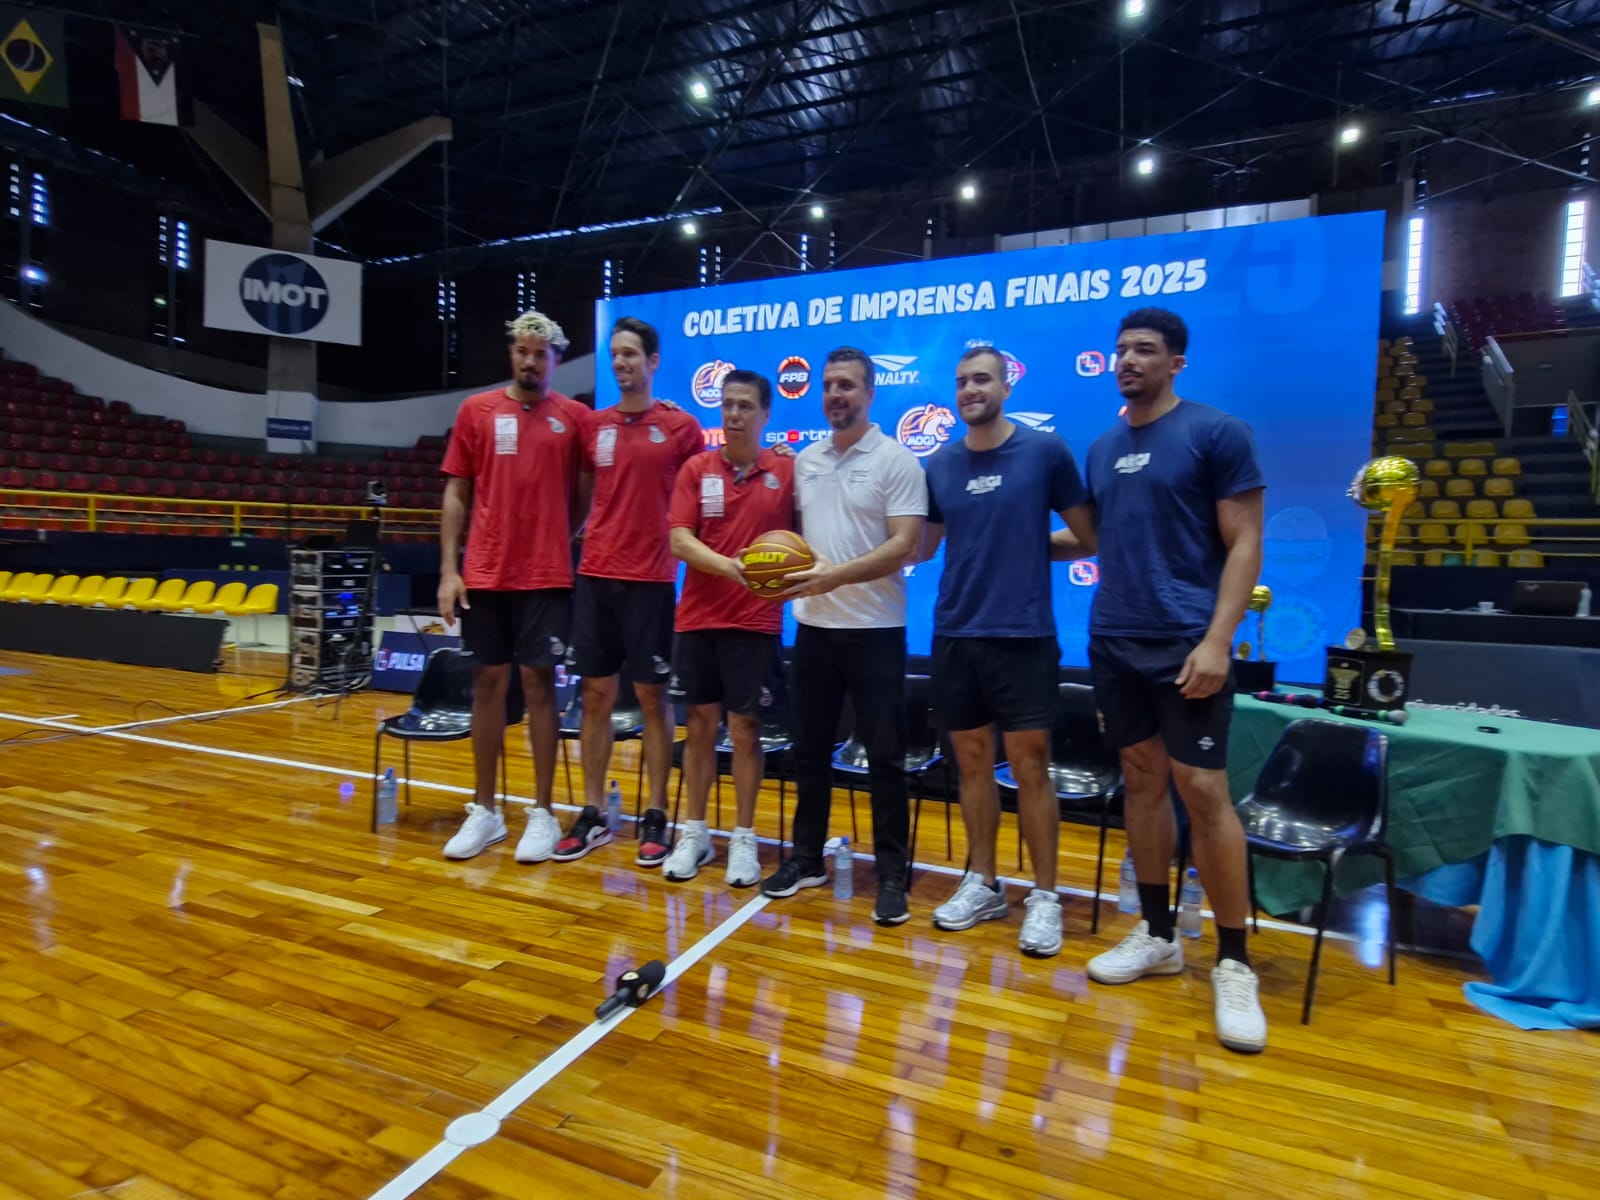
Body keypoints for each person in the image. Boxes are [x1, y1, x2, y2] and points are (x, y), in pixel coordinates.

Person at [1082, 307, 1268, 1054]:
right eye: (1121, 350)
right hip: (1113, 639)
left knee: (1204, 791)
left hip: (1188, 643)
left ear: (1176, 362)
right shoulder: (1101, 447)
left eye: (1145, 350)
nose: (1128, 360)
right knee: (1140, 779)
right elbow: (1098, 539)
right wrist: (1001, 528)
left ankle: (1233, 960)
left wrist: (1219, 639)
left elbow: (1245, 539)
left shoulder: (1218, 433)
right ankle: (1158, 935)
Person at [920, 344, 1097, 957]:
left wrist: (1028, 546)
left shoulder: (1045, 451)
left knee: (1029, 766)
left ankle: (1044, 896)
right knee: (970, 764)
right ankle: (984, 882)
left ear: (1007, 386)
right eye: (963, 380)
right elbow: (921, 547)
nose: (972, 389)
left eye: (983, 379)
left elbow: (1088, 535)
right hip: (955, 632)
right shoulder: (939, 463)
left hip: (1023, 634)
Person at [759, 347, 927, 925]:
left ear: (870, 393)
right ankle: (807, 859)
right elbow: (798, 541)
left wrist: (834, 575)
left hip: (877, 631)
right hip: (813, 632)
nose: (836, 394)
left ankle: (891, 877)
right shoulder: (805, 461)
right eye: (829, 385)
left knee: (884, 760)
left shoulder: (897, 460)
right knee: (808, 754)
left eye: (848, 386)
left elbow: (905, 545)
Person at [437, 310, 590, 863]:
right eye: (522, 351)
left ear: (555, 360)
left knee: (540, 688)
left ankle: (543, 813)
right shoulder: (475, 411)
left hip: (546, 577)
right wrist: (450, 572)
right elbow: (456, 493)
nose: (530, 360)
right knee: (486, 687)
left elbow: (586, 494)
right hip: (484, 575)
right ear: (512, 354)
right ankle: (486, 810)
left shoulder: (574, 418)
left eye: (541, 353)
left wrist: (557, 536)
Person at [560, 317, 704, 866]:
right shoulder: (592, 426)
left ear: (654, 361)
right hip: (596, 576)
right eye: (614, 354)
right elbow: (579, 498)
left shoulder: (682, 426)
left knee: (652, 699)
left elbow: (705, 482)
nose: (621, 363)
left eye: (631, 354)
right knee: (594, 697)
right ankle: (594, 813)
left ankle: (656, 812)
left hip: (652, 581)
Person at [663, 370, 795, 888]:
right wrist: (730, 566)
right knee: (697, 728)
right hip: (697, 618)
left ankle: (743, 837)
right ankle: (694, 833)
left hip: (756, 622)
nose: (734, 414)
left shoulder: (786, 472)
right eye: (727, 405)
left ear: (765, 414)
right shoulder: (697, 468)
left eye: (745, 406)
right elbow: (679, 541)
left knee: (745, 731)